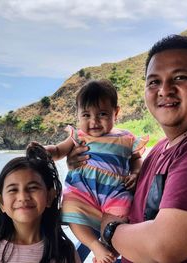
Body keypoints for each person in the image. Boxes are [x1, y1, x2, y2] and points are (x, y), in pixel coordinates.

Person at [69, 35, 187, 262]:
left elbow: (164, 247)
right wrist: (84, 164)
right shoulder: (160, 149)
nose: (164, 90)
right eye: (154, 81)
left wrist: (110, 229)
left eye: (180, 77)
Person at [43, 80, 148, 263]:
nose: (94, 121)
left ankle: (108, 249)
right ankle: (94, 245)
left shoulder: (126, 138)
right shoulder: (78, 137)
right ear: (77, 115)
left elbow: (135, 160)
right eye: (86, 115)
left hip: (115, 191)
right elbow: (59, 151)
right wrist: (44, 152)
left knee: (119, 219)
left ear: (116, 113)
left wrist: (135, 173)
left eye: (102, 114)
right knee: (73, 214)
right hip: (82, 191)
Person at [0, 143, 81, 263]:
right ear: (1, 202)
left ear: (49, 197)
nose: (23, 197)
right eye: (13, 190)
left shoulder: (64, 252)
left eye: (33, 188)